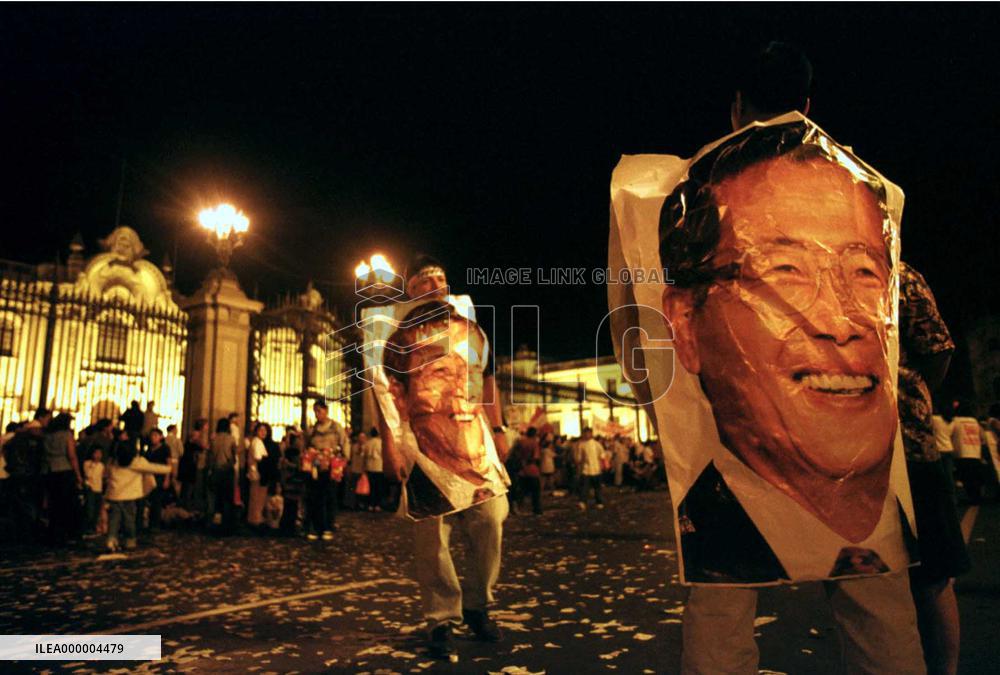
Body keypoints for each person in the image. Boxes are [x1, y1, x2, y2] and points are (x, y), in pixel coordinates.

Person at [610, 43, 925, 674]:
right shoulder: (871, 187)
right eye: (784, 273)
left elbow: (632, 333)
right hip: (759, 478)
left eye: (862, 273)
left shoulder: (664, 190)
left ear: (734, 108)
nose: (838, 324)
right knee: (881, 617)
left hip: (731, 463)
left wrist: (668, 412)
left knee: (721, 619)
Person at [380, 293, 510, 660]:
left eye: (440, 277)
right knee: (433, 537)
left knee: (491, 519)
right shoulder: (400, 339)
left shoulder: (466, 331)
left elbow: (486, 380)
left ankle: (477, 603)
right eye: (438, 372)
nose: (457, 387)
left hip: (477, 451)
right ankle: (440, 617)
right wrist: (389, 444)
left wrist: (497, 427)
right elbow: (383, 399)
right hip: (422, 457)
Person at [896, 263, 971, 675]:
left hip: (909, 448)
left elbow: (937, 350)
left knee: (932, 573)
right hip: (847, 453)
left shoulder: (898, 274)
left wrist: (905, 391)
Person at [105, 430, 171, 552]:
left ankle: (111, 539)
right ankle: (130, 540)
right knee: (129, 519)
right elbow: (154, 468)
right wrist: (169, 469)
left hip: (115, 495)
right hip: (129, 496)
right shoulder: (136, 462)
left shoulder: (114, 463)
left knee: (114, 519)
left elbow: (107, 474)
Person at [303, 398, 348, 540]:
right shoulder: (312, 430)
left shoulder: (336, 427)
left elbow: (345, 443)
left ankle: (328, 527)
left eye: (319, 411)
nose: (317, 414)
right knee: (315, 496)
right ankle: (316, 527)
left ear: (326, 411)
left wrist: (343, 459)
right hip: (316, 466)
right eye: (315, 411)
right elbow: (306, 445)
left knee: (329, 496)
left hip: (331, 466)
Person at [43, 412, 83, 545]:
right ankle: (68, 533)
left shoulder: (48, 435)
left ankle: (53, 533)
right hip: (65, 470)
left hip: (50, 470)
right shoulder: (66, 435)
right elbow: (71, 455)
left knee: (54, 503)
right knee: (67, 503)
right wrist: (78, 474)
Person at [207, 417, 238, 533]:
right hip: (227, 471)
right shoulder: (231, 439)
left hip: (215, 470)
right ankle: (226, 525)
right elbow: (233, 457)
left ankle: (212, 523)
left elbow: (210, 457)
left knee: (214, 498)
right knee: (227, 499)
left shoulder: (214, 439)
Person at [951, 405, 986, 504]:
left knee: (966, 478)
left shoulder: (955, 421)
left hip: (961, 453)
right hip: (975, 453)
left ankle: (972, 497)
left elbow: (949, 432)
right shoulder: (975, 422)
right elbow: (983, 438)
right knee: (975, 477)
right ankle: (977, 497)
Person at [144, 428, 170, 530]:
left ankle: (155, 524)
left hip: (160, 477)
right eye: (152, 435)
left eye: (155, 435)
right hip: (150, 476)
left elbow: (168, 464)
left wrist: (167, 478)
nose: (153, 438)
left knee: (157, 501)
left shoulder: (164, 448)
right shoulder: (149, 449)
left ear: (160, 437)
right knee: (151, 500)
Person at [513, 427, 543, 515]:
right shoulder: (534, 443)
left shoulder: (520, 442)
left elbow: (516, 455)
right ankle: (537, 510)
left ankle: (519, 508)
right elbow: (536, 457)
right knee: (535, 492)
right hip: (532, 470)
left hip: (522, 470)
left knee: (522, 491)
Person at [247, 422, 270, 528]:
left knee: (257, 497)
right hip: (257, 473)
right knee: (257, 498)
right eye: (261, 430)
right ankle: (256, 519)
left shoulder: (257, 442)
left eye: (265, 430)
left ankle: (255, 518)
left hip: (256, 473)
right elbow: (258, 457)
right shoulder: (257, 442)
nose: (263, 432)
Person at [575, 428, 604, 510]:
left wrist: (602, 463)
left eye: (588, 433)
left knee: (597, 487)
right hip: (586, 469)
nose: (587, 435)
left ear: (591, 434)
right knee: (585, 487)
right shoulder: (581, 445)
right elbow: (579, 457)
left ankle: (599, 502)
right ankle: (582, 502)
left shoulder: (596, 444)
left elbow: (602, 454)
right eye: (585, 433)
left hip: (596, 469)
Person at [82, 446, 105, 535]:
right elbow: (88, 475)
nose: (98, 455)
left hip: (98, 489)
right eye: (96, 453)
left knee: (96, 509)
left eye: (100, 453)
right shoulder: (87, 463)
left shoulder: (102, 465)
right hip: (90, 488)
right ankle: (88, 527)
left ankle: (93, 526)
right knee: (89, 509)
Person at [363, 428, 385, 511]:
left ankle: (370, 504)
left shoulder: (367, 443)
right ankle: (377, 504)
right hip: (379, 467)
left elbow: (364, 455)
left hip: (369, 467)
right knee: (378, 487)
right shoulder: (380, 443)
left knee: (371, 487)